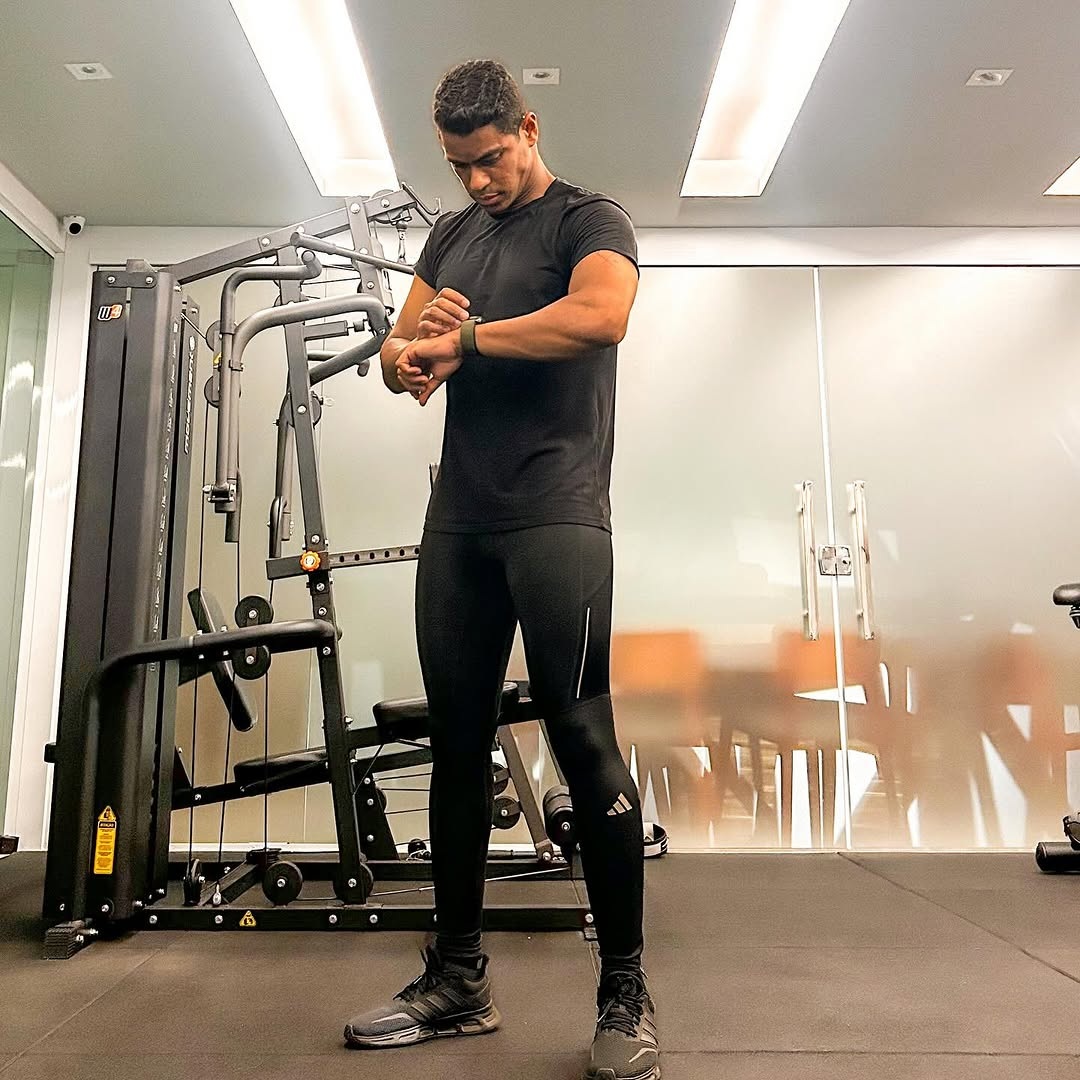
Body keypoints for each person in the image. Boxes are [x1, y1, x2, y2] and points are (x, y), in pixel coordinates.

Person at [343, 59, 658, 1080]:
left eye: (490, 159)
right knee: (455, 744)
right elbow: (399, 360)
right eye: (459, 166)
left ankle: (624, 989)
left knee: (582, 737)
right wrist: (411, 356)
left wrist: (469, 339)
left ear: (527, 127)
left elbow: (600, 317)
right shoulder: (452, 236)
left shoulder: (588, 220)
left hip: (558, 514)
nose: (477, 181)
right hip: (462, 521)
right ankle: (457, 979)